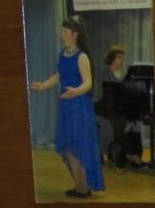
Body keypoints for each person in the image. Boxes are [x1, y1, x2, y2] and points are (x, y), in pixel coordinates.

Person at [30, 15, 105, 198]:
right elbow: (58, 76)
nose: (62, 35)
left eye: (65, 32)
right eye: (62, 32)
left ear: (75, 34)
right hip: (66, 105)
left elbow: (88, 83)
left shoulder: (82, 57)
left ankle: (85, 187)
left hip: (79, 106)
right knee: (70, 146)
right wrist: (42, 85)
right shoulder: (62, 54)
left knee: (79, 145)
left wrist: (76, 91)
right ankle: (78, 185)